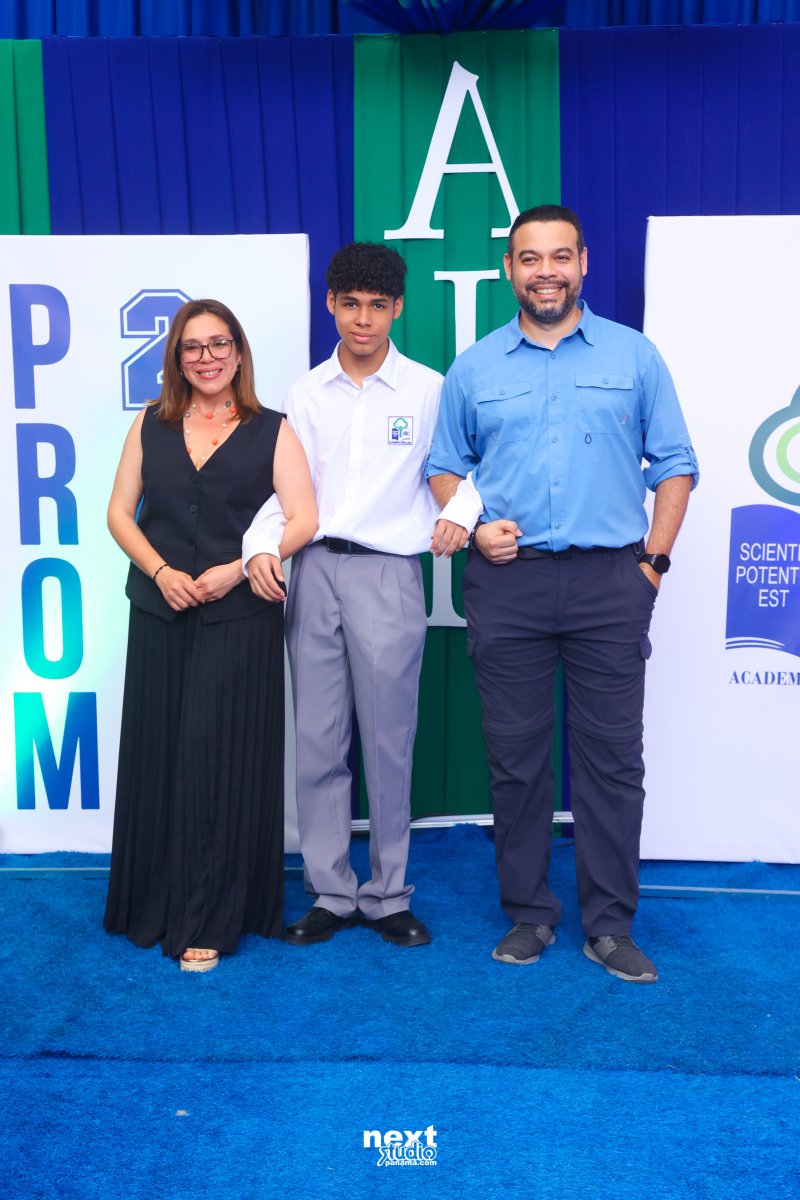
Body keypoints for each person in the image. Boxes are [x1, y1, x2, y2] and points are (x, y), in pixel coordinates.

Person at [426, 205, 698, 983]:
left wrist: (652, 564)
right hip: (507, 585)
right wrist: (475, 529)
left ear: (582, 263)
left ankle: (610, 925)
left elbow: (675, 464)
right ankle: (530, 913)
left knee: (611, 761)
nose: (545, 272)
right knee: (516, 760)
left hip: (610, 582)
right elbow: (445, 466)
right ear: (509, 269)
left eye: (558, 257)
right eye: (529, 258)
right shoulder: (475, 367)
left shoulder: (634, 356)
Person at [242, 242, 479, 948]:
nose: (363, 319)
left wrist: (463, 513)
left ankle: (388, 894)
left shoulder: (429, 389)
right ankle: (330, 892)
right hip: (314, 569)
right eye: (350, 304)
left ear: (398, 307)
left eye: (377, 305)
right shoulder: (305, 393)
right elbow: (289, 492)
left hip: (388, 574)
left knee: (388, 741)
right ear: (331, 305)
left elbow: (466, 467)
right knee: (318, 740)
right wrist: (260, 544)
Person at [103, 299, 317, 972]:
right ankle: (153, 901)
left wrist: (241, 567)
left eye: (219, 343)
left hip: (239, 616)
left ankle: (210, 916)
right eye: (193, 346)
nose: (207, 357)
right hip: (160, 612)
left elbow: (304, 519)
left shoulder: (273, 430)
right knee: (162, 753)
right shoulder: (151, 423)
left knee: (217, 760)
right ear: (177, 357)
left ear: (239, 352)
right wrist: (161, 572)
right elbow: (119, 513)